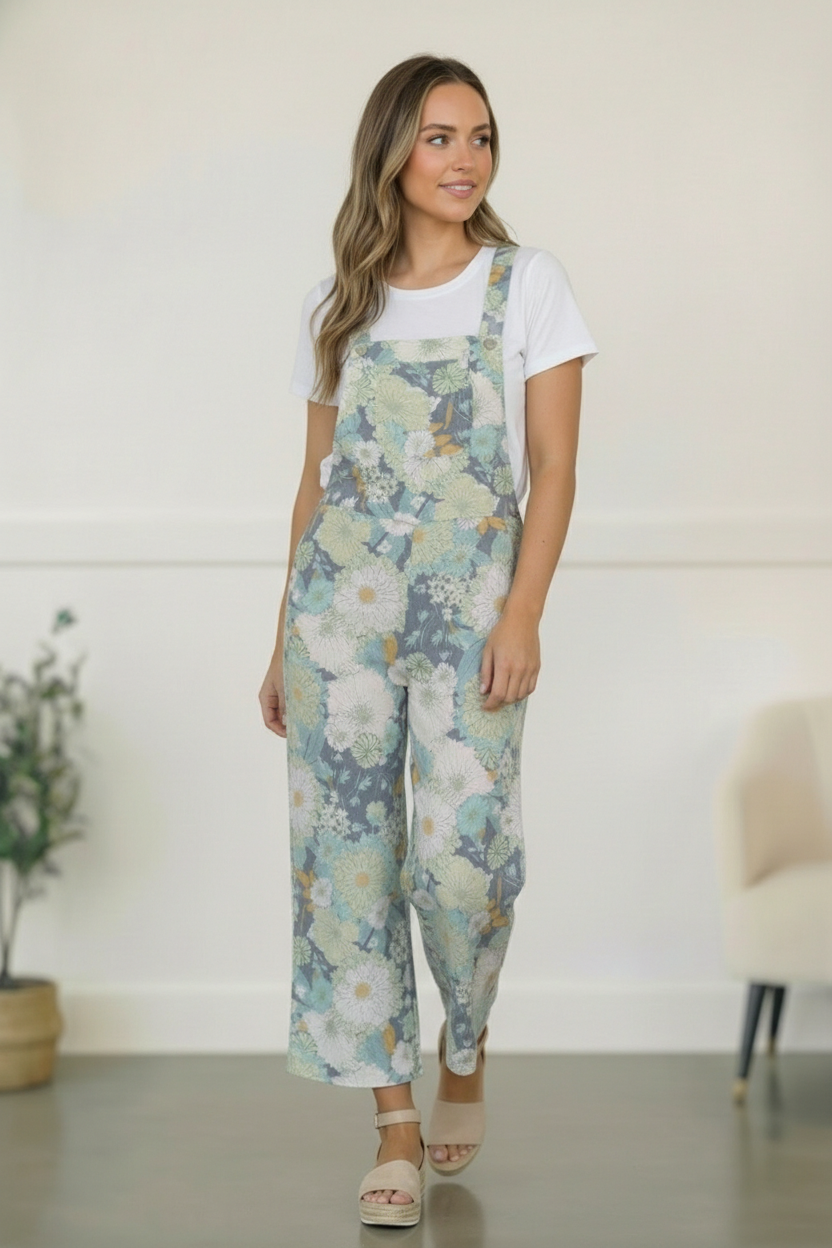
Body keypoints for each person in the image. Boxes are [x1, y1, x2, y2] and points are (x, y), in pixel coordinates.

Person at [258, 53, 597, 1228]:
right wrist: (277, 641)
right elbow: (314, 485)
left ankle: (469, 1039)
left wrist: (523, 613)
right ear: (393, 151)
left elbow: (552, 469)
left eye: (483, 138)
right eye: (442, 137)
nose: (466, 161)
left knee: (464, 860)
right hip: (335, 621)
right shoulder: (337, 303)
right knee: (347, 874)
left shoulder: (526, 285)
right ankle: (392, 1126)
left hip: (471, 612)